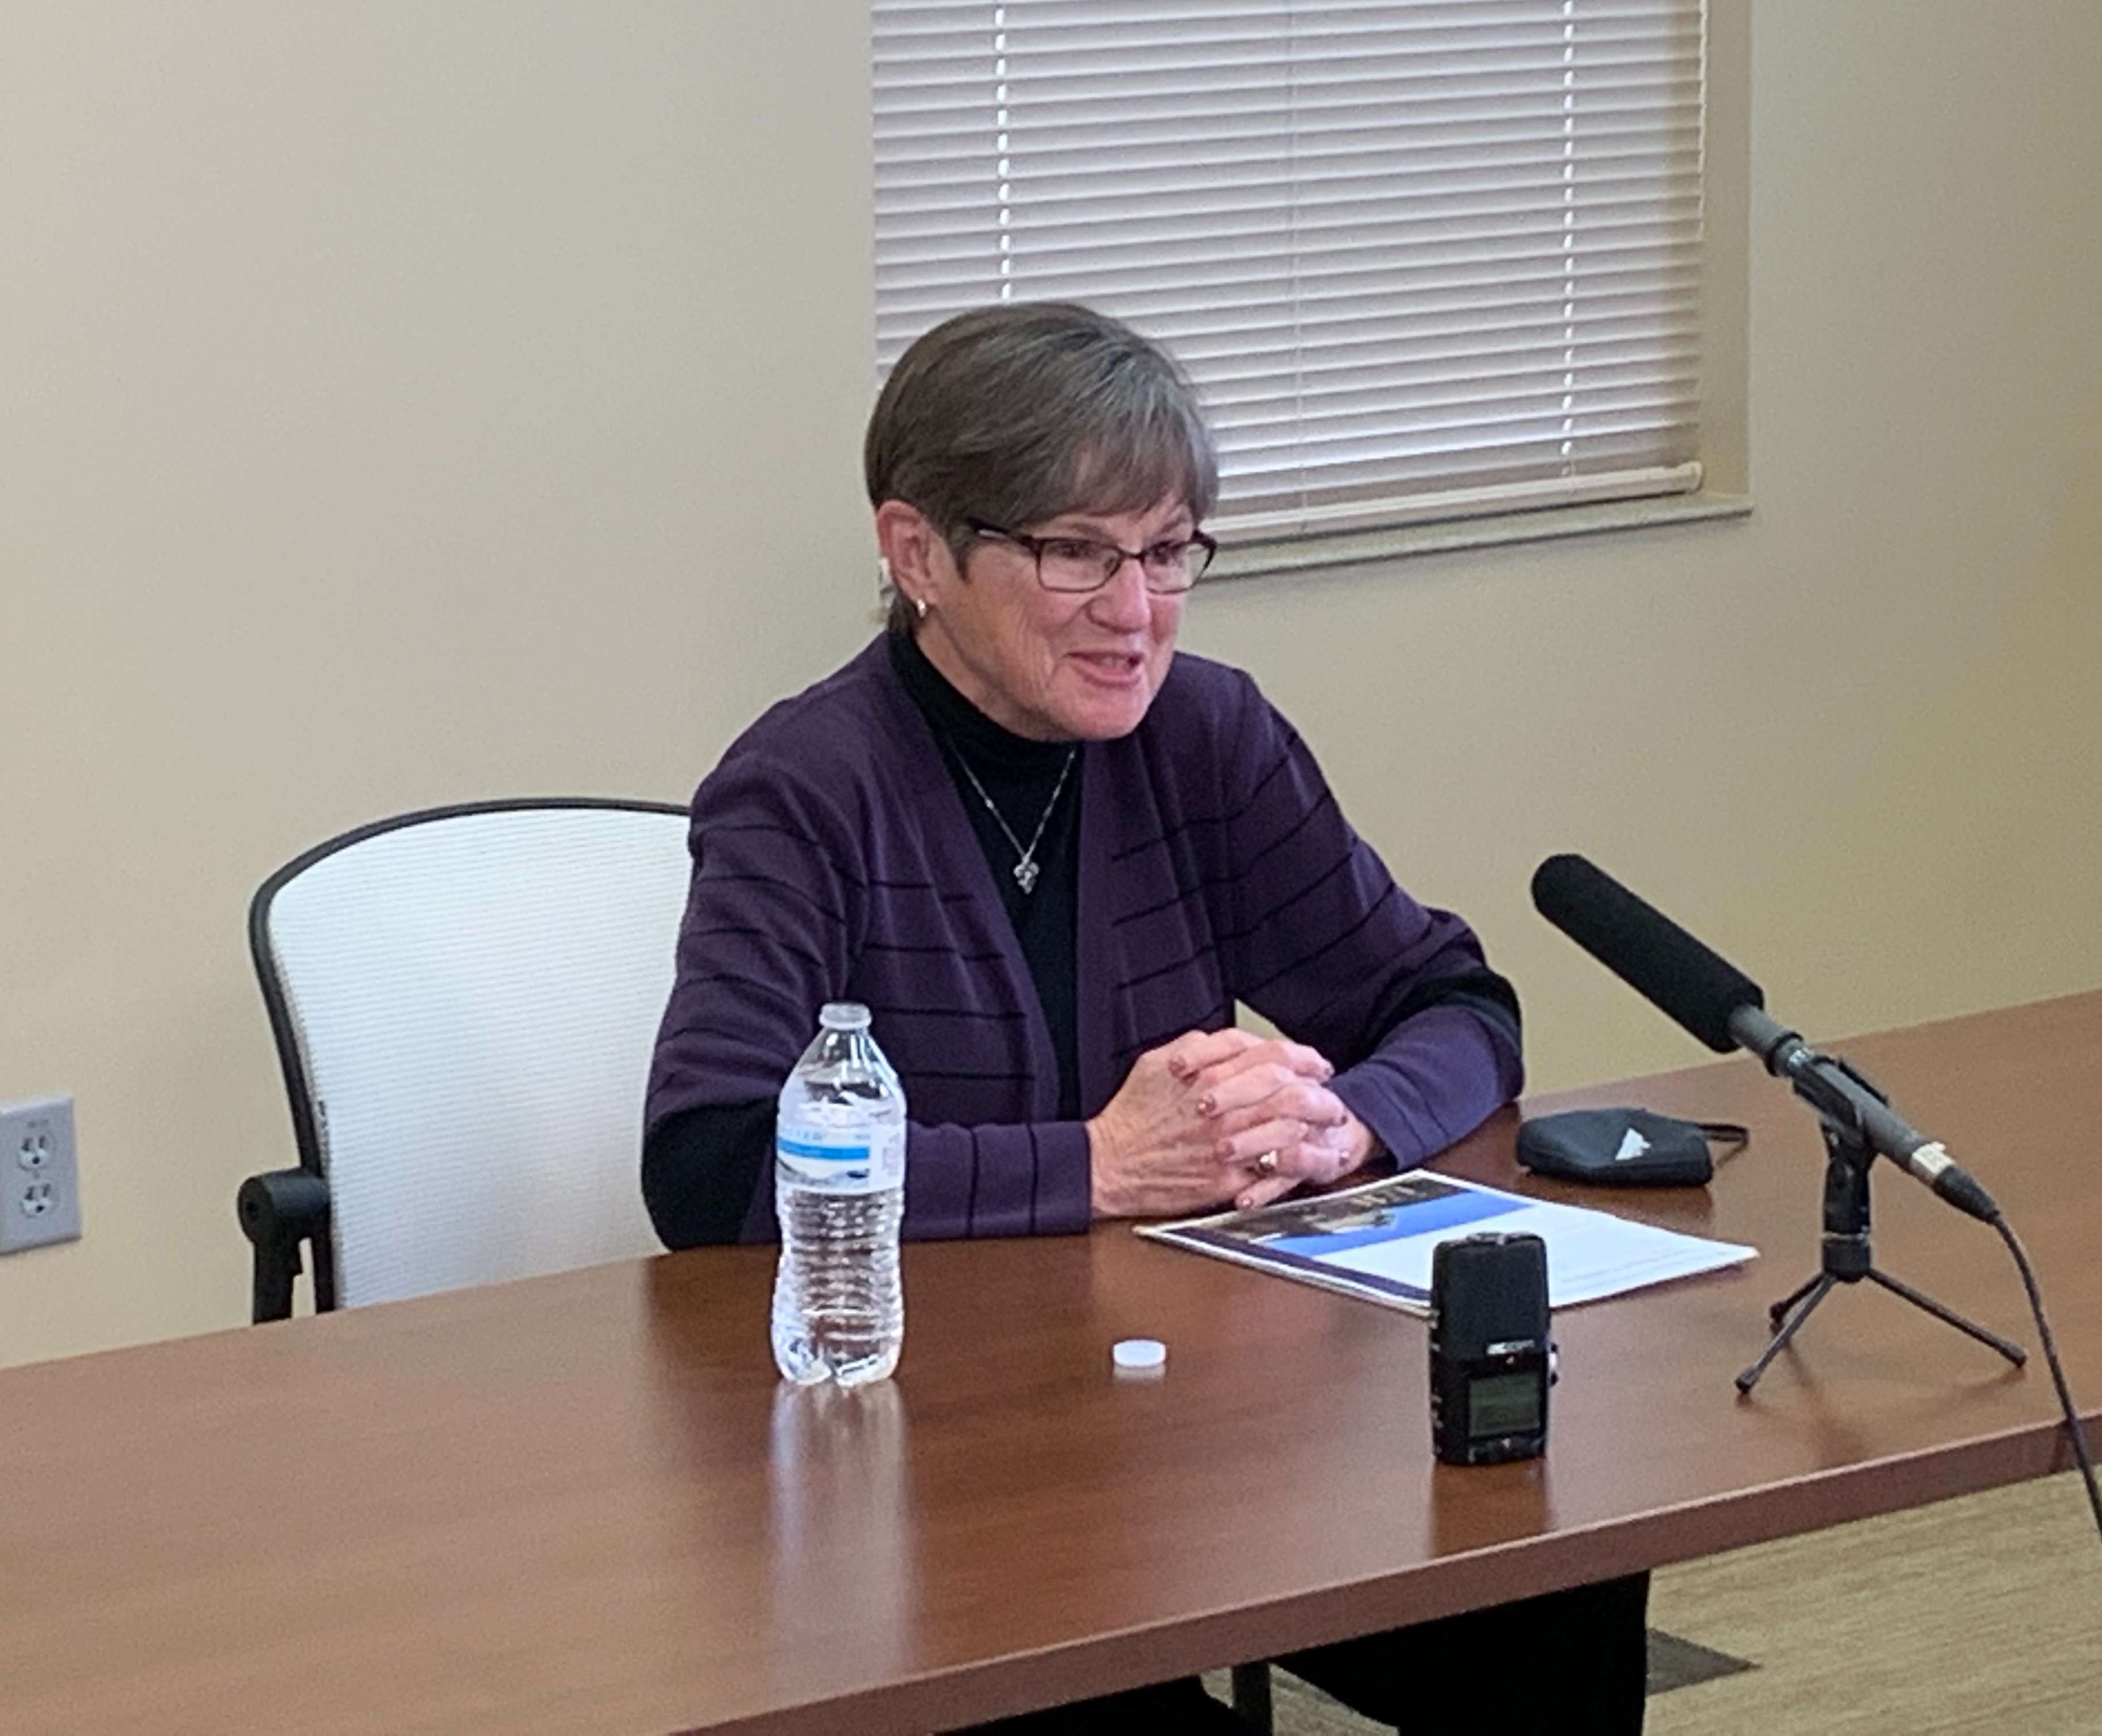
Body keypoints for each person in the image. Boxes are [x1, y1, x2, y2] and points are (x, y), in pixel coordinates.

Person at [643, 303, 1647, 1734]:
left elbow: (1452, 1004)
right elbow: (708, 1163)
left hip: (1187, 1429)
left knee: (1553, 1590)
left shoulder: (1205, 738)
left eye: (1169, 551)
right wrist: (1104, 1165)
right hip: (929, 1467)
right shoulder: (806, 791)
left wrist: (1337, 1121)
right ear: (916, 551)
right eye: (1076, 554)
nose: (1138, 612)